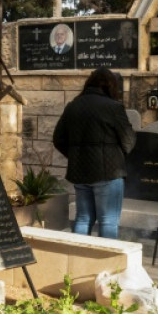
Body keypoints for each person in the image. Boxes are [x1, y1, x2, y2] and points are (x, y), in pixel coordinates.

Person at [53, 67, 135, 238]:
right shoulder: (113, 107)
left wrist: (77, 155)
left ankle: (78, 261)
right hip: (109, 173)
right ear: (111, 86)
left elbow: (58, 138)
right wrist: (117, 156)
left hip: (80, 172)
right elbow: (129, 141)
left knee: (83, 218)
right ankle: (107, 264)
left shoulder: (73, 106)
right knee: (108, 221)